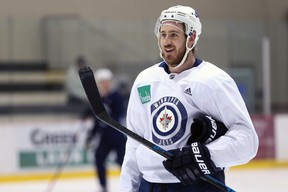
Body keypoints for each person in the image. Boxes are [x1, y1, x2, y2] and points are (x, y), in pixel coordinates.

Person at [119, 5, 259, 192]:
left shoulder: (213, 81)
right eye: (163, 34)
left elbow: (247, 140)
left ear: (191, 38)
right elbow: (134, 143)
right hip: (150, 186)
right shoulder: (145, 81)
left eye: (174, 35)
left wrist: (203, 156)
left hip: (198, 185)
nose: (166, 42)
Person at [83, 68, 127, 192]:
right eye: (102, 82)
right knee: (98, 159)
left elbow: (117, 115)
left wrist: (105, 121)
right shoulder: (99, 99)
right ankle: (103, 187)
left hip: (118, 136)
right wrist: (91, 135)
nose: (104, 84)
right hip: (105, 138)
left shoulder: (116, 96)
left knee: (123, 163)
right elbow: (97, 121)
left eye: (106, 81)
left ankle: (130, 187)